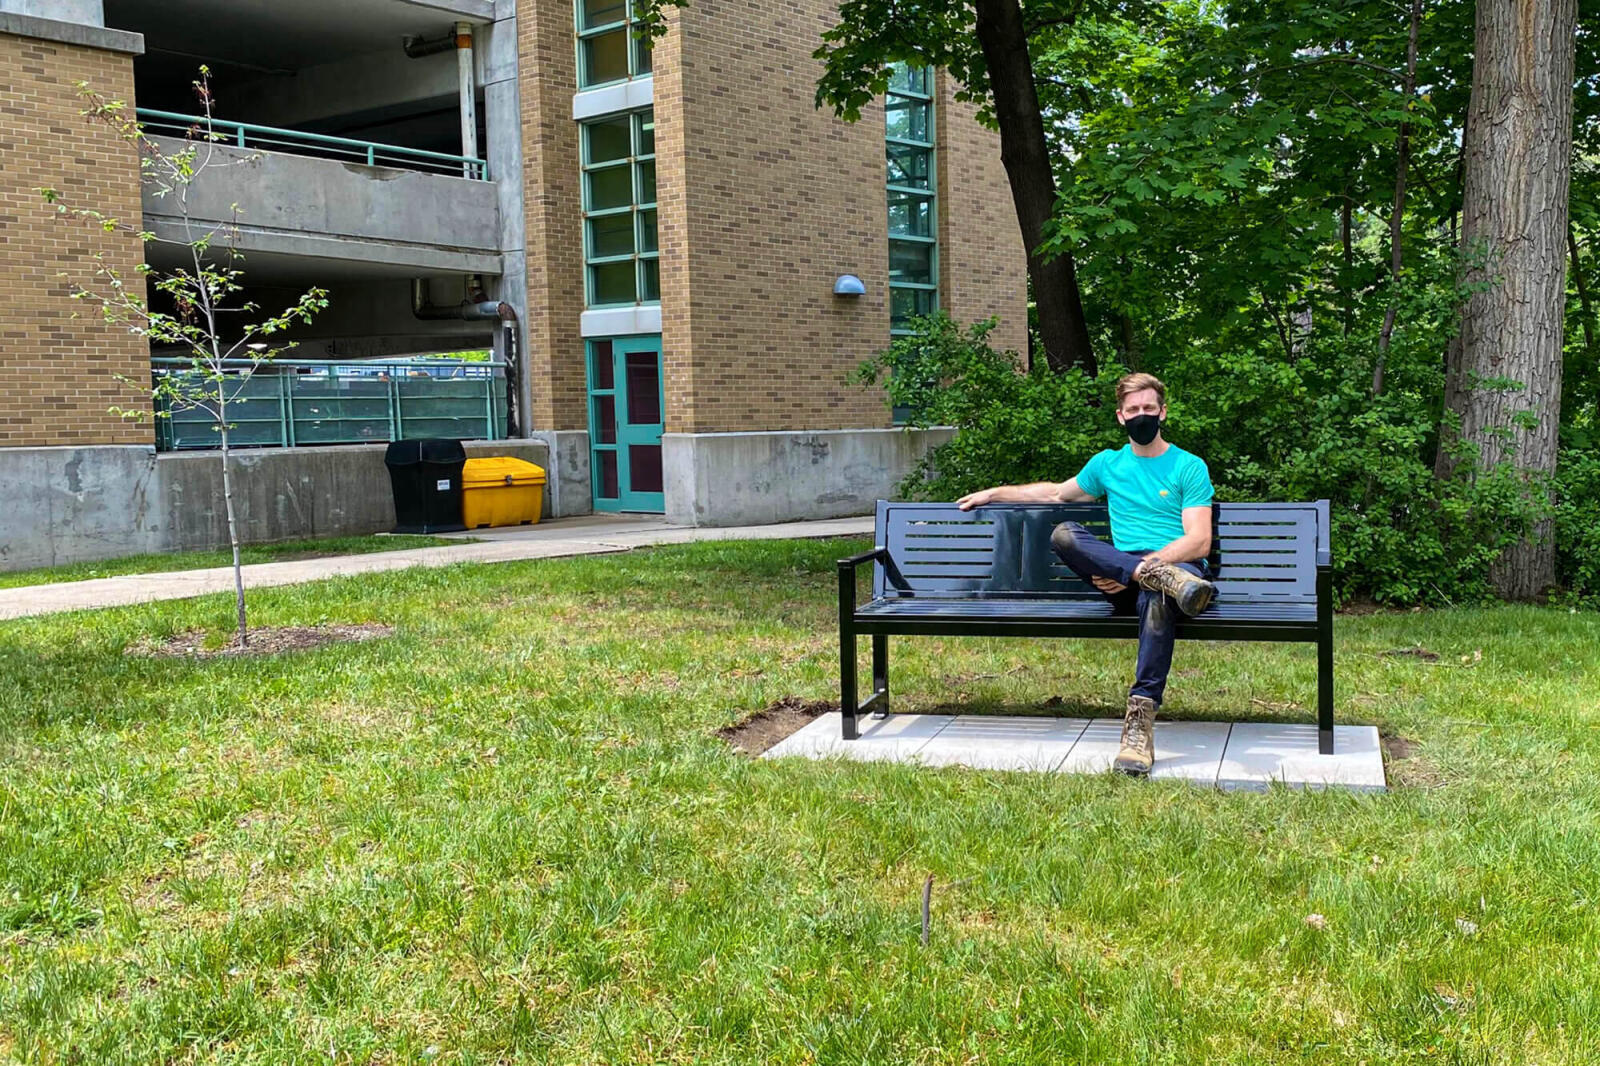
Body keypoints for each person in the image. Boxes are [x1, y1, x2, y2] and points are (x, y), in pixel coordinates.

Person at [956, 372, 1218, 776]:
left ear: (1163, 412)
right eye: (1134, 410)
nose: (1142, 416)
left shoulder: (1188, 466)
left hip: (1179, 573)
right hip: (1129, 575)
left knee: (1158, 596)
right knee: (1065, 534)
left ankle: (1139, 724)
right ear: (1120, 416)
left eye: (1149, 408)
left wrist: (1149, 569)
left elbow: (1199, 541)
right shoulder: (1108, 465)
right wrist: (995, 493)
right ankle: (1146, 576)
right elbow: (1054, 494)